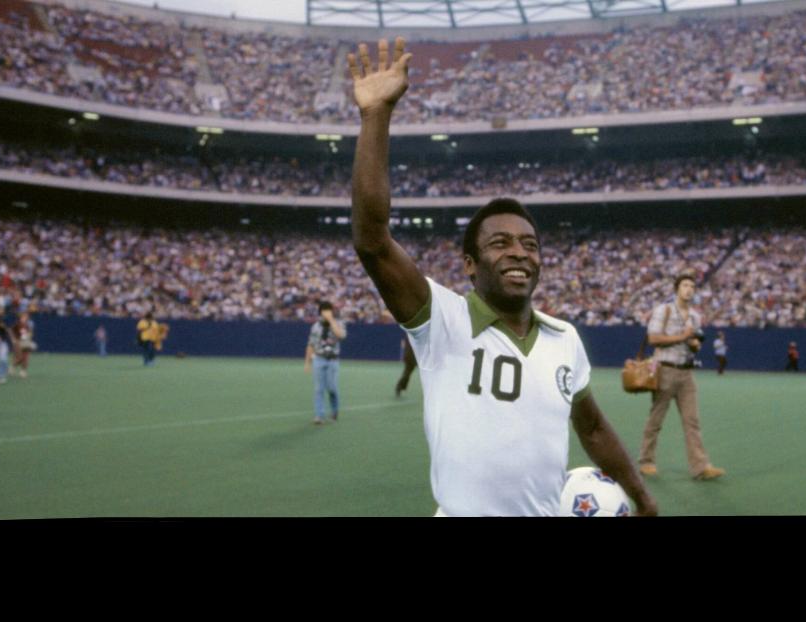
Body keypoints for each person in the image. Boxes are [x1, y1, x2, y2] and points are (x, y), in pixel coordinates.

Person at [348, 37, 656, 516]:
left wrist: (642, 499)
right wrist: (376, 116)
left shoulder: (564, 339)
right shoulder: (441, 319)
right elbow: (372, 240)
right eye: (500, 243)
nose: (519, 253)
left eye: (530, 245)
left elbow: (593, 429)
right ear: (469, 264)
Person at [638, 274, 726, 481]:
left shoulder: (695, 316)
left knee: (692, 422)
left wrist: (694, 344)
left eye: (692, 286)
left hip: (686, 373)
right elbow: (653, 338)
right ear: (677, 289)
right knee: (656, 419)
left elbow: (694, 344)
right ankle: (646, 461)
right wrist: (683, 336)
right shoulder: (664, 310)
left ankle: (701, 467)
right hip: (665, 369)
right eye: (685, 285)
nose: (689, 289)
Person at [305, 301, 346, 425]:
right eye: (324, 310)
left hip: (332, 359)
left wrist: (331, 320)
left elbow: (341, 335)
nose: (326, 312)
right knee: (319, 389)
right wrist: (307, 362)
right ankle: (319, 415)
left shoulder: (338, 323)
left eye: (328, 310)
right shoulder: (316, 326)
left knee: (332, 388)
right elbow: (311, 344)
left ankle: (334, 411)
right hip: (319, 359)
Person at [11, 312, 35, 379]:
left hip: (26, 342)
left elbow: (30, 333)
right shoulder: (17, 325)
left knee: (26, 357)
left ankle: (23, 371)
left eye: (26, 318)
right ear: (20, 318)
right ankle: (13, 366)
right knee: (20, 357)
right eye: (23, 317)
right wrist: (14, 339)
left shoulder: (28, 325)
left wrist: (30, 338)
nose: (25, 319)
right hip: (19, 342)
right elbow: (11, 331)